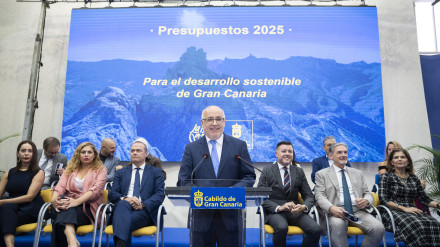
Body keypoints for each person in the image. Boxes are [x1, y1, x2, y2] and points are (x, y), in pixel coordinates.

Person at [177, 105, 256, 247]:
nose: (214, 123)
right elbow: (183, 180)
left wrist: (232, 192)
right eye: (210, 119)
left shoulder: (239, 146)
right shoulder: (191, 148)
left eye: (218, 119)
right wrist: (200, 195)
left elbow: (249, 176)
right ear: (202, 122)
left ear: (224, 122)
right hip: (201, 218)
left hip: (231, 217)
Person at [315, 143, 385, 247]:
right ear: (330, 156)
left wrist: (366, 201)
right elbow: (319, 196)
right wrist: (331, 208)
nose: (343, 155)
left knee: (378, 228)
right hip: (336, 213)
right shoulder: (322, 174)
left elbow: (367, 193)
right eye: (339, 152)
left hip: (358, 211)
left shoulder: (357, 173)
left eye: (345, 152)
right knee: (338, 225)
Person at [258, 141, 322, 247]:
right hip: (275, 212)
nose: (287, 153)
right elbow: (261, 196)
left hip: (295, 211)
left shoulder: (298, 171)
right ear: (276, 154)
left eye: (290, 151)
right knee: (282, 228)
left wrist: (304, 206)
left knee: (316, 230)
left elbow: (309, 195)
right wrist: (279, 207)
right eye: (284, 151)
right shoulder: (267, 170)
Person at [109, 139, 165, 247]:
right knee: (122, 204)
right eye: (132, 150)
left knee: (122, 222)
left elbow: (159, 195)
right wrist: (126, 199)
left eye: (138, 150)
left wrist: (143, 205)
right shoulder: (121, 172)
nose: (134, 153)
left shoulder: (155, 172)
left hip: (144, 211)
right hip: (122, 208)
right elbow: (112, 194)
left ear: (146, 154)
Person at [378, 148, 440, 247]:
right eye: (396, 157)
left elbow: (424, 199)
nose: (399, 159)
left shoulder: (414, 178)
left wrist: (437, 205)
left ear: (408, 161)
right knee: (417, 225)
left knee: (433, 223)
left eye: (403, 157)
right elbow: (384, 199)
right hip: (392, 211)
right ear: (392, 162)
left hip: (412, 210)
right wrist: (404, 208)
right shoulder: (386, 177)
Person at [50, 142, 107, 247]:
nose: (86, 155)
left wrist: (76, 202)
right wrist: (53, 199)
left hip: (87, 207)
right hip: (67, 204)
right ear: (78, 154)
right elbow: (60, 186)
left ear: (94, 155)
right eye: (83, 152)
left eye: (89, 152)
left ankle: (72, 242)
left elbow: (96, 191)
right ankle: (72, 241)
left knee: (59, 222)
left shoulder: (101, 170)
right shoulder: (70, 168)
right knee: (62, 202)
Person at [0, 141, 44, 247]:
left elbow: (29, 197)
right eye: (23, 150)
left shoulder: (39, 172)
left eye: (30, 151)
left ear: (34, 154)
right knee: (6, 210)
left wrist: (3, 201)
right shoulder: (9, 172)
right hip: (10, 207)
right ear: (18, 154)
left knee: (4, 213)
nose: (26, 153)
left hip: (29, 208)